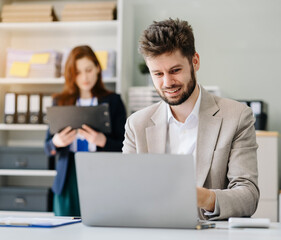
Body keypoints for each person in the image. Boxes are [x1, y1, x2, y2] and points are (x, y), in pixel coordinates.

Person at [122, 18, 259, 220]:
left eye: (175, 70)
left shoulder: (237, 117)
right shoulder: (137, 124)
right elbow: (126, 191)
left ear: (195, 62)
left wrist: (199, 197)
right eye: (158, 73)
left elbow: (248, 197)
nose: (167, 82)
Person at [45, 45, 126, 216]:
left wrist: (102, 141)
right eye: (78, 72)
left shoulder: (114, 102)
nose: (85, 77)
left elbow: (125, 147)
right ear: (71, 74)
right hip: (68, 178)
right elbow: (47, 147)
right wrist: (57, 142)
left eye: (89, 70)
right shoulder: (59, 102)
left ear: (98, 68)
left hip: (101, 176)